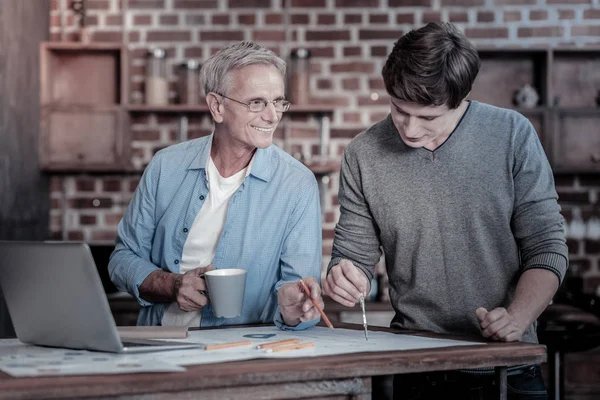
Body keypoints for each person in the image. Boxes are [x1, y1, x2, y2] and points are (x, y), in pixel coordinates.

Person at [324, 22, 567, 399]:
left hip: (508, 367)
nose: (409, 129)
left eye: (428, 118)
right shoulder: (363, 153)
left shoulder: (512, 135)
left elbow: (547, 247)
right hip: (416, 369)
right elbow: (351, 255)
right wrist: (344, 275)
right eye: (399, 110)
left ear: (461, 97)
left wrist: (517, 317)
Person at [109, 41, 324, 331]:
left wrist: (294, 309)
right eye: (257, 103)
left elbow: (298, 291)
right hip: (159, 346)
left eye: (278, 101)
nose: (273, 116)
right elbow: (122, 260)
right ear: (217, 106)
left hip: (245, 354)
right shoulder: (166, 166)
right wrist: (172, 285)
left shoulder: (297, 184)